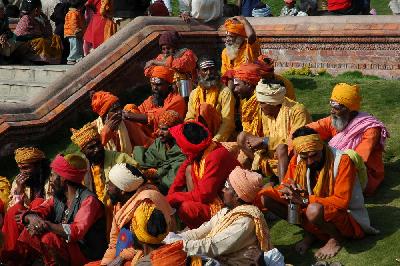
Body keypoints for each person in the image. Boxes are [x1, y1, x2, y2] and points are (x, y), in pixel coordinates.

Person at [256, 127, 378, 260]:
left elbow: (341, 203)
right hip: (309, 209)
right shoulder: (297, 160)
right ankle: (312, 232)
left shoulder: (342, 161)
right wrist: (288, 192)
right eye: (304, 157)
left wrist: (306, 200)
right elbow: (286, 184)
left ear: (322, 147)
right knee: (266, 198)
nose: (310, 161)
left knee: (313, 209)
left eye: (314, 155)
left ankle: (336, 239)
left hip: (346, 217)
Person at [162, 166, 273, 265]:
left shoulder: (245, 221)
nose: (222, 189)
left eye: (227, 186)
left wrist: (178, 245)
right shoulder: (225, 212)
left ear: (237, 196)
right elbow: (200, 232)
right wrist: (172, 239)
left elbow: (213, 245)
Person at [18, 154, 107, 265]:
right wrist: (31, 216)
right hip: (69, 249)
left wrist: (47, 225)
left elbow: (76, 231)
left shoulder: (89, 201)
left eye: (52, 175)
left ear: (63, 178)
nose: (50, 180)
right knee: (31, 228)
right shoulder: (59, 197)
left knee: (49, 238)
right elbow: (42, 209)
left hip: (86, 254)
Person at [307, 83, 389, 195]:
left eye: (337, 108)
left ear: (351, 111)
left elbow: (357, 159)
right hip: (335, 168)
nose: (332, 111)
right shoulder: (334, 119)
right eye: (332, 107)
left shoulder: (371, 129)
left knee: (350, 155)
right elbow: (309, 129)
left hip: (364, 174)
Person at [91, 163, 174, 265]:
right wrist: (106, 263)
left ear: (122, 190)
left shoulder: (147, 203)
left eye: (110, 184)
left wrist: (122, 256)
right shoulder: (121, 205)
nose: (107, 187)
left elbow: (156, 241)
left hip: (153, 255)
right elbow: (115, 242)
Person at [236, 77, 310, 182]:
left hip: (290, 157)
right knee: (242, 137)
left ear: (273, 102)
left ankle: (283, 186)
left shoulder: (298, 111)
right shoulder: (265, 110)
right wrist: (258, 142)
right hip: (269, 155)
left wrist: (265, 141)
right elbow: (256, 134)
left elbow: (294, 142)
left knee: (281, 148)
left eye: (262, 103)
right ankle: (265, 169)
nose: (259, 106)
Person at [167, 121, 239, 229]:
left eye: (181, 145)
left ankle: (204, 229)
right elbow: (180, 176)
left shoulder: (216, 156)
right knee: (188, 169)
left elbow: (204, 195)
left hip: (227, 204)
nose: (181, 149)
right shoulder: (200, 151)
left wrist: (174, 198)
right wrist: (168, 198)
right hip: (212, 196)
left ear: (189, 145)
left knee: (186, 208)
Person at [70, 122, 138, 233]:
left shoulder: (121, 159)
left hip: (124, 213)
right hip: (100, 219)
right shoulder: (83, 171)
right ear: (83, 152)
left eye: (98, 144)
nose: (96, 149)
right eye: (91, 148)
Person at [1, 147, 50, 265]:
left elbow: (50, 205)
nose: (22, 172)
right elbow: (12, 211)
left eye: (26, 168)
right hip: (22, 223)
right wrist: (19, 193)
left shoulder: (51, 179)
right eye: (20, 168)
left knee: (37, 202)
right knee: (13, 212)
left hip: (43, 220)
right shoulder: (18, 183)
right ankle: (12, 256)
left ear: (39, 166)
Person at [124, 65, 187, 145]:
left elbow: (159, 116)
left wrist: (128, 116)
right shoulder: (152, 99)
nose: (154, 88)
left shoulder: (177, 100)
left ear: (168, 85)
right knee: (129, 107)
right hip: (150, 136)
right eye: (152, 84)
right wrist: (126, 114)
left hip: (168, 139)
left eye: (158, 85)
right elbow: (139, 111)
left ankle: (146, 145)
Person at [134, 110, 186, 195]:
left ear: (175, 130)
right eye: (159, 128)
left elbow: (172, 180)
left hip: (171, 192)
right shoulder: (159, 143)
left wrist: (157, 173)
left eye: (164, 129)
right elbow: (143, 161)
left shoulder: (182, 149)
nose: (159, 133)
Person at [185, 57, 235, 142]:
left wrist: (214, 141)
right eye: (205, 70)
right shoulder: (194, 93)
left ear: (217, 70)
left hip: (219, 138)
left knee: (204, 108)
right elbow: (190, 117)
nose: (209, 73)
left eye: (212, 69)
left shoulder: (225, 92)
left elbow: (228, 123)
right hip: (198, 137)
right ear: (198, 72)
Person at [221, 16, 260, 90]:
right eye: (226, 36)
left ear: (240, 38)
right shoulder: (225, 52)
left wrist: (244, 21)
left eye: (231, 37)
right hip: (232, 87)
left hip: (248, 86)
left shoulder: (249, 47)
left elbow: (251, 36)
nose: (228, 40)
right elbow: (225, 74)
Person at [64, 0, 85, 64]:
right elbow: (73, 23)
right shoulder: (73, 13)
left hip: (75, 33)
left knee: (78, 46)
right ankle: (71, 59)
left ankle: (78, 57)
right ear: (79, 6)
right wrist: (77, 31)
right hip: (73, 33)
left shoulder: (75, 12)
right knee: (75, 46)